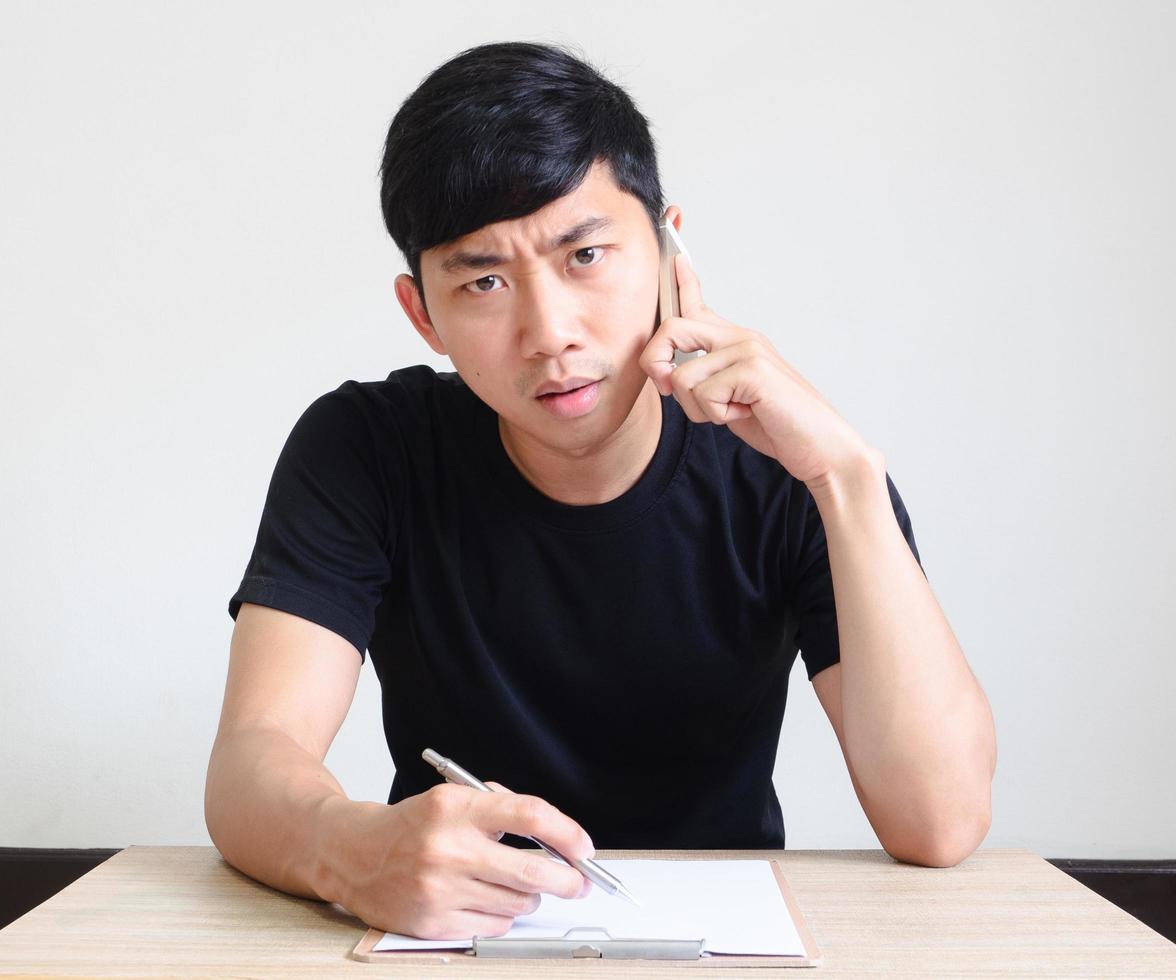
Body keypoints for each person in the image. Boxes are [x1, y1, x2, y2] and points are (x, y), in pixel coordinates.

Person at [205, 40, 996, 941]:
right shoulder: (366, 448)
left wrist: (845, 479)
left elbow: (940, 821)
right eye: (486, 281)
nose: (550, 333)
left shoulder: (788, 466)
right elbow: (249, 763)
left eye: (585, 255)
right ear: (422, 312)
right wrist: (353, 850)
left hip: (722, 946)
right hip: (457, 944)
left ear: (668, 251)